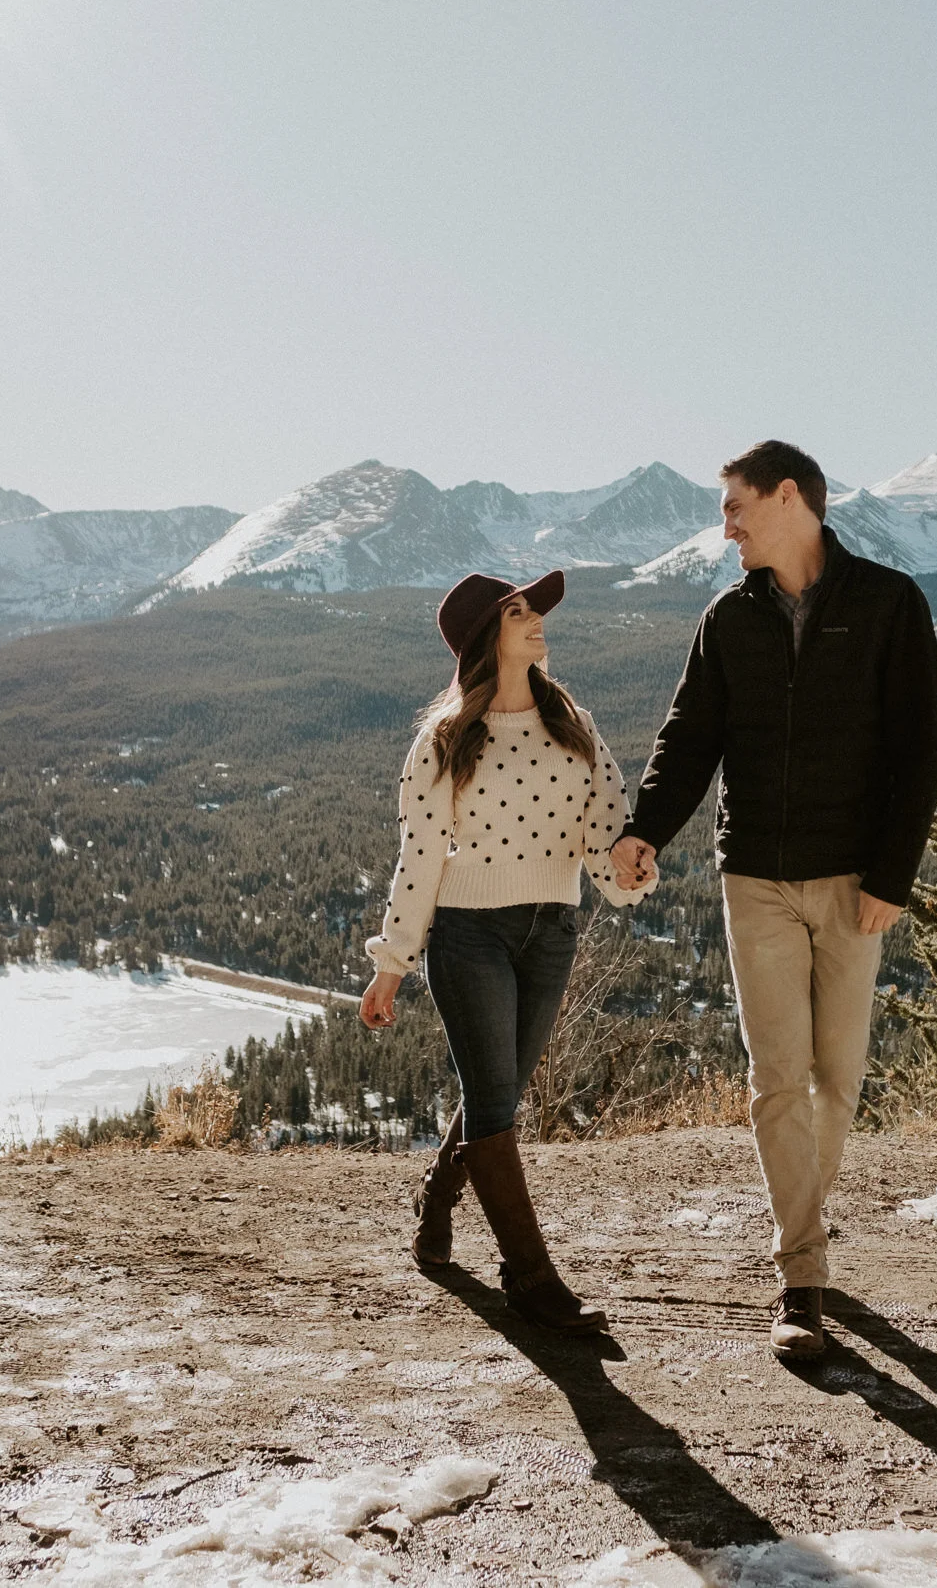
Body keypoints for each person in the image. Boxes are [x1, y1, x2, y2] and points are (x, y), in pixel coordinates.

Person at [609, 441, 937, 1361]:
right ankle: (802, 1276)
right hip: (752, 873)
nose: (725, 526)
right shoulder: (729, 619)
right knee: (776, 1080)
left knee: (838, 1081)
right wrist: (645, 827)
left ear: (788, 497)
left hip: (853, 881)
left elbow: (925, 749)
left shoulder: (888, 603)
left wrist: (892, 875)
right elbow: (690, 737)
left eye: (734, 507)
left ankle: (807, 1223)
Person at [360, 568, 657, 1332]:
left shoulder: (573, 722)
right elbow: (419, 856)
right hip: (469, 934)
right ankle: (531, 1277)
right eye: (520, 612)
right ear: (486, 637)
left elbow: (607, 831)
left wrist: (628, 867)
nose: (537, 622)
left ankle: (435, 1196)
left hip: (551, 931)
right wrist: (390, 965)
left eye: (533, 610)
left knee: (499, 1095)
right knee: (494, 1104)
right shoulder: (446, 736)